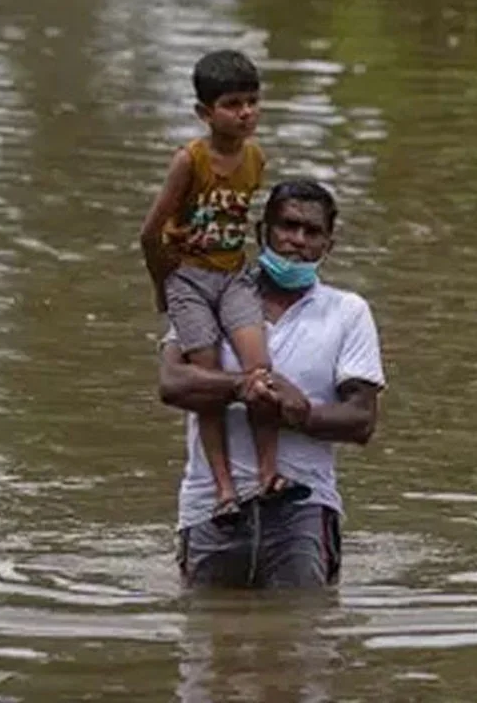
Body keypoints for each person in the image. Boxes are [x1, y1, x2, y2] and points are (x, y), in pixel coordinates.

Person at [157, 179, 385, 590]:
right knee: (208, 642)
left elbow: (362, 419)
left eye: (312, 232)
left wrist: (301, 412)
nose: (297, 240)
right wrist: (244, 386)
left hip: (304, 507)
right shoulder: (207, 296)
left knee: (303, 642)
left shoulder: (347, 312)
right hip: (211, 506)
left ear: (328, 246)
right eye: (287, 226)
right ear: (262, 232)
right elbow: (172, 383)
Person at [140, 49, 302, 527]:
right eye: (233, 104)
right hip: (188, 278)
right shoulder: (189, 161)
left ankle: (269, 474)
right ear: (205, 113)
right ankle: (224, 490)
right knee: (206, 385)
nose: (246, 113)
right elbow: (150, 233)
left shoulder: (255, 157)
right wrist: (163, 287)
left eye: (252, 102)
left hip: (233, 276)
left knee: (261, 369)